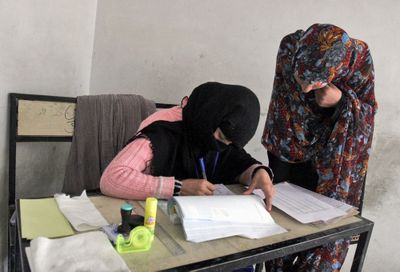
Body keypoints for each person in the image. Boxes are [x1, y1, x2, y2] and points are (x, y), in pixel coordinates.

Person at [262, 23, 377, 271]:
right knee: (277, 217)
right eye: (301, 78)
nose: (304, 88)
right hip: (287, 141)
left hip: (331, 156)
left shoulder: (359, 60)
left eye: (314, 83)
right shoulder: (290, 47)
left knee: (321, 225)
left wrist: (341, 101)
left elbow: (368, 112)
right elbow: (283, 99)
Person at [100, 82, 274, 212]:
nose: (222, 147)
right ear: (210, 117)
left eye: (230, 144)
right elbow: (111, 179)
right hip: (149, 218)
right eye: (221, 138)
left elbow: (234, 161)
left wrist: (256, 172)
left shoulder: (215, 128)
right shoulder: (162, 131)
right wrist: (178, 187)